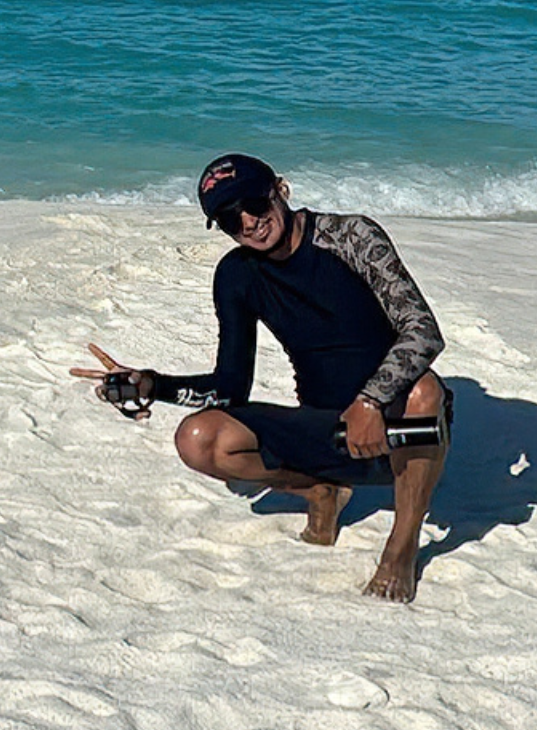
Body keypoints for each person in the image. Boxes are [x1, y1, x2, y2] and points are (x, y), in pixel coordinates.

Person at [72, 154, 450, 602]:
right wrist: (154, 385)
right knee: (198, 438)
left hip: (394, 426)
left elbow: (422, 330)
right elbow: (231, 387)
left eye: (253, 203)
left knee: (427, 389)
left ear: (280, 190)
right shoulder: (236, 275)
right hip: (323, 429)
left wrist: (370, 401)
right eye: (231, 219)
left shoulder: (351, 236)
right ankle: (319, 491)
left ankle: (400, 547)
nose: (249, 222)